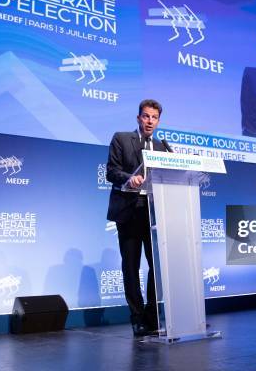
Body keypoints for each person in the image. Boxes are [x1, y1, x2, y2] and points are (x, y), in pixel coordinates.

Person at [106, 99, 167, 337]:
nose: (149, 121)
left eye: (154, 117)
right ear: (138, 118)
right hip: (130, 211)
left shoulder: (162, 147)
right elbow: (111, 171)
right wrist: (128, 179)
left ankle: (152, 316)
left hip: (154, 213)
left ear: (158, 121)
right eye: (146, 116)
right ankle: (137, 317)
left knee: (156, 268)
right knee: (131, 267)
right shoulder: (122, 139)